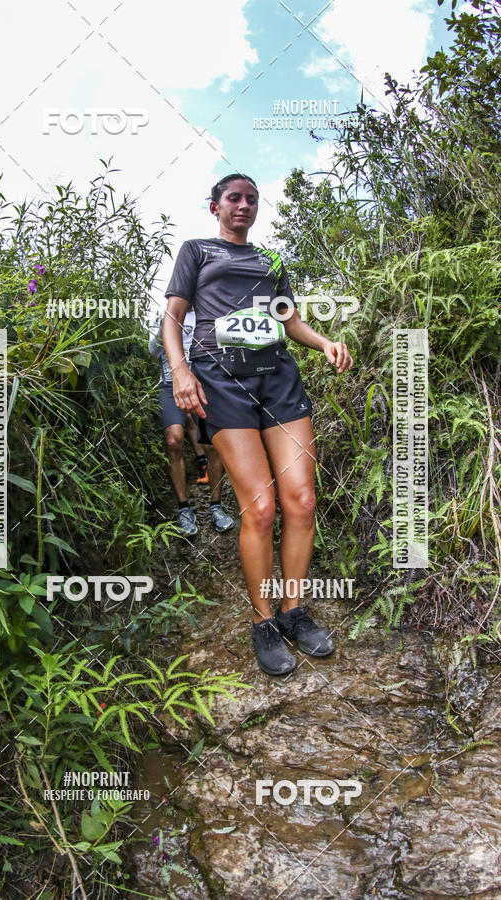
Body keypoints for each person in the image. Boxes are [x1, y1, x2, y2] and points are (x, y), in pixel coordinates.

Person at [162, 173, 354, 675]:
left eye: (251, 198)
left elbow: (289, 320)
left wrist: (324, 343)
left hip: (278, 379)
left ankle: (293, 610)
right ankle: (262, 620)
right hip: (221, 381)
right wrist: (181, 370)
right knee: (261, 507)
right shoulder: (197, 251)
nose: (244, 205)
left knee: (302, 499)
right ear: (215, 207)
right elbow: (174, 316)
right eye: (234, 198)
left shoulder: (270, 261)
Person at [149, 308, 235, 537]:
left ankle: (216, 506)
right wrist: (162, 327)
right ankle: (184, 509)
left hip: (202, 383)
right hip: (170, 385)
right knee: (173, 440)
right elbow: (152, 350)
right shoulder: (165, 316)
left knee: (212, 444)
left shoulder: (205, 312)